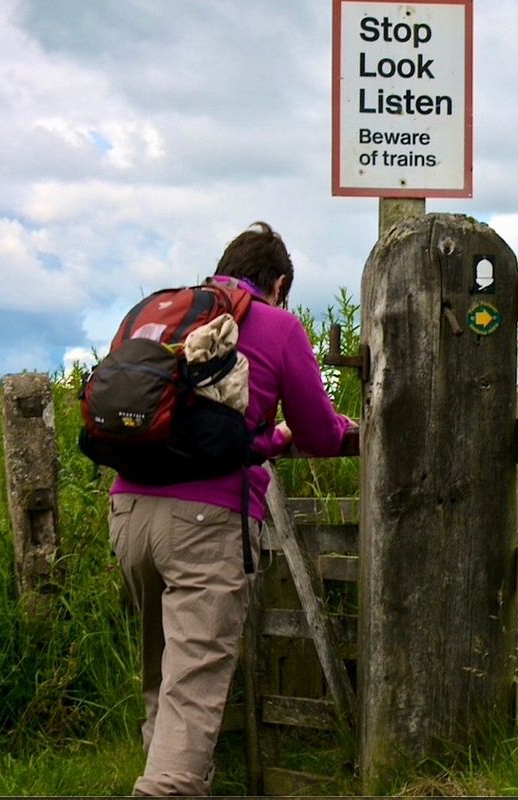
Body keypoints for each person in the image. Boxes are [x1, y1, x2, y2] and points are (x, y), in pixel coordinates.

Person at [108, 221, 357, 796]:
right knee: (193, 690)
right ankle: (170, 786)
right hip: (205, 522)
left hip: (128, 511)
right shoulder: (277, 324)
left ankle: (177, 777)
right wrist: (328, 431)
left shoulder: (167, 313)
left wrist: (264, 440)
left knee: (165, 677)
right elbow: (320, 433)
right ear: (280, 283)